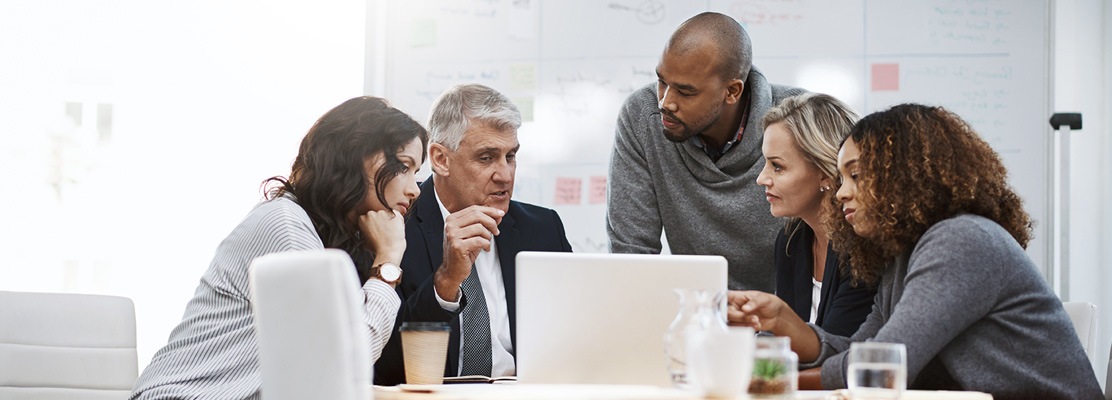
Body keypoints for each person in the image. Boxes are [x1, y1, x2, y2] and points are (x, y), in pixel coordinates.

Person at [728, 104, 1103, 398]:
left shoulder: (961, 241)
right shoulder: (903, 257)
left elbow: (889, 363)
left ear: (903, 174)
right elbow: (864, 351)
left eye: (856, 175)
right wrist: (782, 321)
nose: (842, 192)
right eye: (841, 178)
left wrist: (771, 384)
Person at [130, 97, 428, 400]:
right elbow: (341, 366)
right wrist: (389, 263)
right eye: (403, 167)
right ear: (354, 156)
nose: (415, 189)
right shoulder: (286, 226)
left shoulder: (318, 234)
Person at [373, 84, 573, 385]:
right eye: (486, 158)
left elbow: (574, 338)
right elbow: (382, 365)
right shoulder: (394, 228)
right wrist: (445, 282)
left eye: (511, 156)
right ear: (441, 159)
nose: (505, 175)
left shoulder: (543, 229)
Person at [608, 11, 805, 291]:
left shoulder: (799, 117)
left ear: (732, 92)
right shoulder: (642, 115)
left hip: (788, 323)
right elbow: (631, 254)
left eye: (685, 92)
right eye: (662, 82)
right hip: (695, 318)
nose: (665, 102)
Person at [755, 93, 875, 337]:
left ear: (826, 172)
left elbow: (835, 348)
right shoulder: (791, 240)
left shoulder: (863, 247)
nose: (761, 179)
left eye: (777, 166)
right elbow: (784, 342)